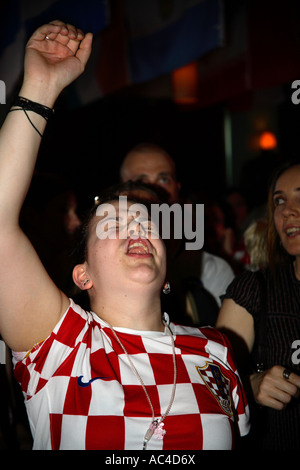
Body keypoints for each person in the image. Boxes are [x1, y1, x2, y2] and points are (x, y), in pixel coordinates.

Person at [0, 21, 249, 450]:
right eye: (112, 224)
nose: (135, 227)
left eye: (146, 223)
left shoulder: (218, 352)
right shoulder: (58, 345)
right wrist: (40, 88)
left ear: (167, 273)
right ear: (82, 275)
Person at [216, 161, 300, 450]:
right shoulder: (255, 290)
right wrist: (250, 386)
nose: (287, 210)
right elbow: (211, 389)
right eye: (279, 200)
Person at [120, 143, 235, 319]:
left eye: (163, 179)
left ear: (177, 189)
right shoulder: (106, 265)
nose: (154, 188)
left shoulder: (211, 269)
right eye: (141, 181)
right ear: (121, 192)